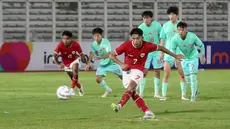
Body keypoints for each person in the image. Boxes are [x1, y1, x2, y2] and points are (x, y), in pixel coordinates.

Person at [109, 28, 184, 119]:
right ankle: (148, 112)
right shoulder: (126, 45)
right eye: (133, 38)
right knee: (132, 93)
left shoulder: (147, 45)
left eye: (137, 38)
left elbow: (161, 48)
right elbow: (111, 55)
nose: (135, 41)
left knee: (131, 87)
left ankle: (119, 106)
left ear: (142, 38)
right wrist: (121, 64)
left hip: (139, 70)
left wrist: (175, 56)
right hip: (127, 71)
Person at [171, 22, 206, 101]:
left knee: (193, 75)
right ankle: (195, 91)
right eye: (179, 30)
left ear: (186, 29)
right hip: (184, 58)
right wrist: (176, 59)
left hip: (193, 57)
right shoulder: (175, 39)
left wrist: (202, 56)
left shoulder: (192, 36)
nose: (180, 32)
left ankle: (193, 96)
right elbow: (173, 50)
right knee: (187, 78)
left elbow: (201, 45)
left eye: (182, 30)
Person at [85, 28, 122, 97]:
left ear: (101, 35)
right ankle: (108, 90)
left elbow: (109, 54)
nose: (96, 37)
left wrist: (100, 57)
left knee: (122, 77)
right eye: (95, 36)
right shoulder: (93, 44)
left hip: (111, 63)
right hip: (103, 64)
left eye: (98, 35)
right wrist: (88, 63)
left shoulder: (106, 42)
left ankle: (132, 90)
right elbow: (92, 54)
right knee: (98, 78)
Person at [160, 6, 187, 101]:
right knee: (166, 75)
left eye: (173, 14)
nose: (171, 16)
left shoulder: (180, 26)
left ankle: (183, 95)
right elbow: (162, 39)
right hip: (168, 53)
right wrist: (161, 53)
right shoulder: (165, 26)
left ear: (177, 15)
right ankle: (163, 96)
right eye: (170, 14)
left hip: (179, 53)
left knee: (182, 74)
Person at [53, 31, 87, 96]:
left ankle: (72, 90)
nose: (65, 40)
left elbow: (82, 55)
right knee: (73, 78)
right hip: (66, 63)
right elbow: (54, 56)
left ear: (71, 39)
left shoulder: (76, 44)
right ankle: (80, 87)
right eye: (64, 38)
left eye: (67, 38)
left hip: (74, 60)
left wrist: (87, 63)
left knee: (75, 70)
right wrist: (58, 64)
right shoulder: (60, 45)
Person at [138, 11, 162, 98]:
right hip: (146, 53)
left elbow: (162, 38)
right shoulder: (140, 27)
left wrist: (161, 51)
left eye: (147, 18)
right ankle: (141, 93)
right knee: (144, 72)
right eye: (144, 18)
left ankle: (156, 93)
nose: (145, 19)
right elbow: (138, 41)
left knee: (157, 71)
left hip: (156, 51)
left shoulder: (157, 25)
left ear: (151, 18)